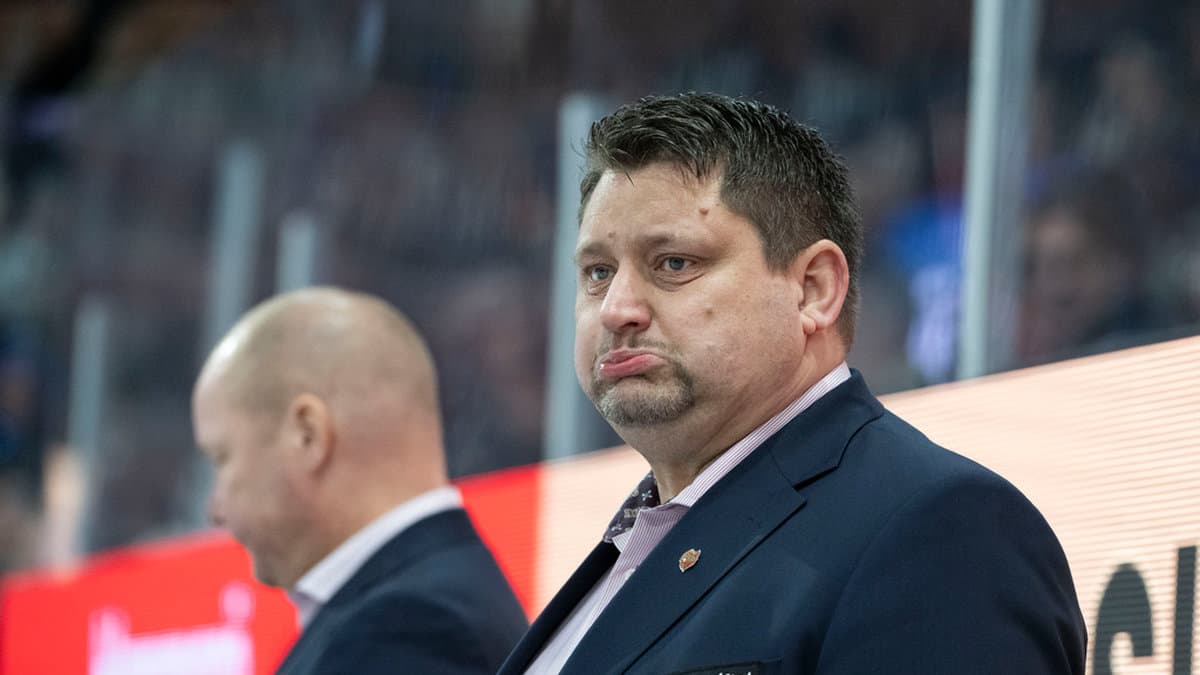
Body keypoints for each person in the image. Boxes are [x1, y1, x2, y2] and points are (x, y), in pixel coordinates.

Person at [500, 93, 1086, 674]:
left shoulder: (945, 533)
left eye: (674, 263)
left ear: (813, 290)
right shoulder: (631, 548)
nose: (616, 309)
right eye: (598, 272)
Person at [192, 287, 527, 674]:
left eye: (222, 458)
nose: (215, 509)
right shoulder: (410, 611)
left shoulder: (406, 628)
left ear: (308, 435)